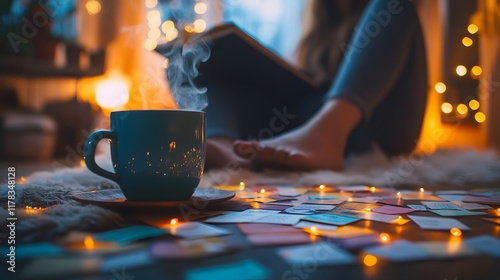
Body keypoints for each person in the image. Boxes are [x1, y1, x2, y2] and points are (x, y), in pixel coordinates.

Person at [203, 0, 428, 171]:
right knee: (196, 60)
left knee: (394, 5)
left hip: (378, 124)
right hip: (308, 119)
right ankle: (226, 149)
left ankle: (328, 133)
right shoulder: (319, 22)